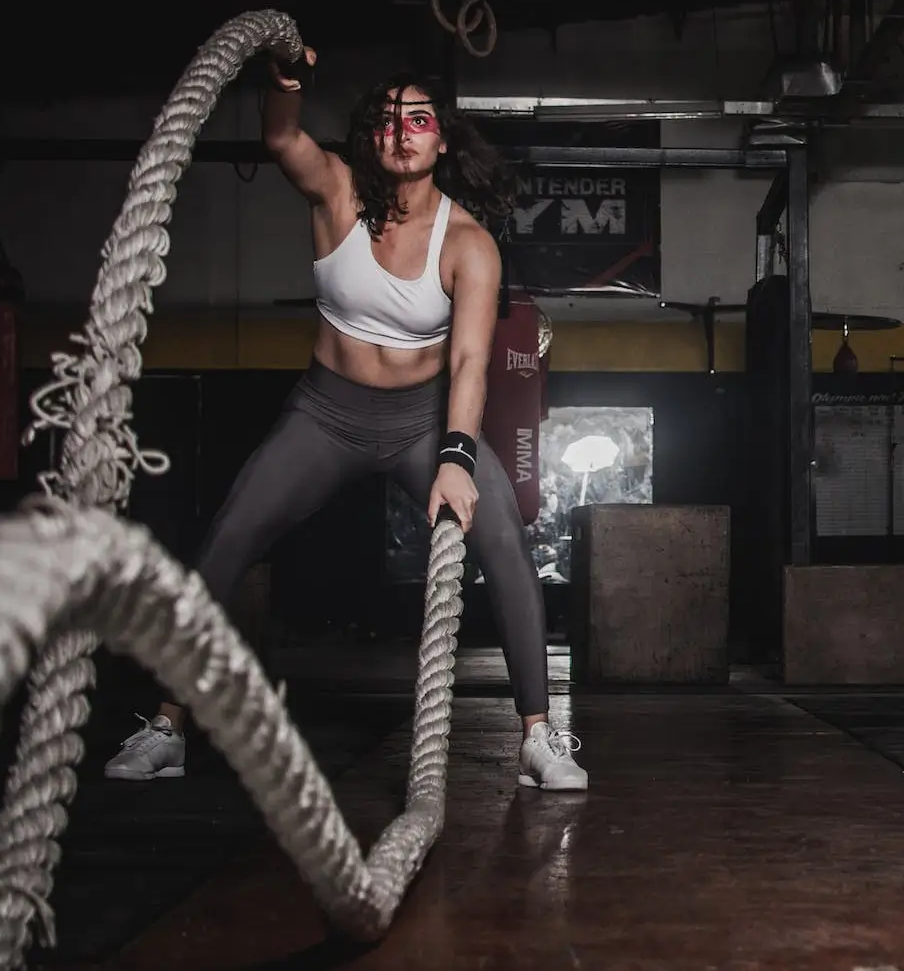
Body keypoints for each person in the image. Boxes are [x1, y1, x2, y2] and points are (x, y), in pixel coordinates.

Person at [103, 47, 587, 792]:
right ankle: (167, 727)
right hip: (325, 414)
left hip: (424, 421)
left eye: (418, 120)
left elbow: (469, 362)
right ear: (372, 136)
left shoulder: (468, 243)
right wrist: (285, 83)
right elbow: (281, 138)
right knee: (228, 537)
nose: (402, 132)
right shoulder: (337, 192)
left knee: (506, 544)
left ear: (442, 140)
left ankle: (537, 737)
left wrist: (457, 456)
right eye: (387, 120)